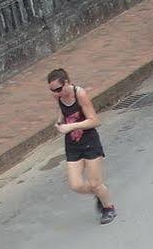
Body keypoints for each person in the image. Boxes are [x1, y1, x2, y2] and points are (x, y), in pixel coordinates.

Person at [48, 68, 115, 225]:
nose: (56, 93)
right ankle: (100, 193)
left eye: (58, 89)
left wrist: (71, 127)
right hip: (72, 144)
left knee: (94, 182)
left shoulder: (80, 94)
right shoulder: (57, 97)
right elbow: (61, 110)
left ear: (67, 83)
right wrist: (59, 122)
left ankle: (108, 207)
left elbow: (94, 120)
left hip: (90, 141)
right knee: (76, 185)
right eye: (52, 91)